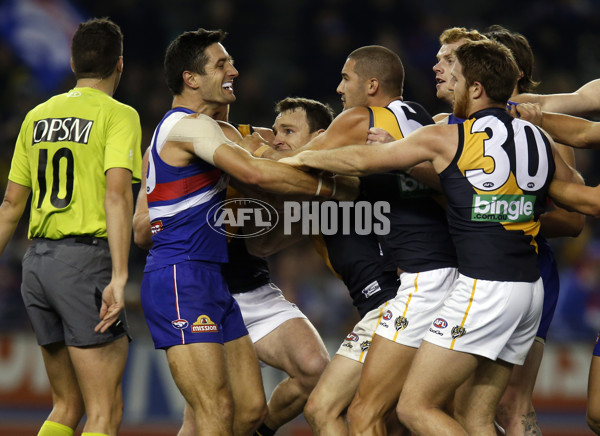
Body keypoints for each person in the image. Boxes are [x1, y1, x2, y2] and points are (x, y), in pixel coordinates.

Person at [281, 39, 600, 435]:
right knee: (477, 416)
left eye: (457, 76)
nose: (449, 81)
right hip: (529, 292)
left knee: (414, 408)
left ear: (477, 89)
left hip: (484, 287)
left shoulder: (450, 136)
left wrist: (302, 157)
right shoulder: (537, 138)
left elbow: (361, 159)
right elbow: (584, 200)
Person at [137, 28, 354, 436]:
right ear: (191, 78)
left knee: (250, 409)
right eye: (222, 64)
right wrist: (335, 186)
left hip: (217, 282)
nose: (234, 70)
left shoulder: (225, 135)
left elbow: (262, 184)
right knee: (213, 413)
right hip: (182, 274)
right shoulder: (186, 128)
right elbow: (255, 172)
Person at [0, 18, 141, 436]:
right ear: (119, 64)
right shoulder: (119, 115)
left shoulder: (36, 116)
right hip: (84, 265)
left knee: (67, 404)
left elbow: (10, 204)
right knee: (105, 411)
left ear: (73, 61)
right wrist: (119, 276)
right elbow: (117, 195)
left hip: (37, 265)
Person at [481, 25, 585, 436]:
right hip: (471, 269)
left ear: (514, 75)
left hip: (530, 266)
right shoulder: (461, 124)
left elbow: (575, 219)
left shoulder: (545, 127)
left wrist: (506, 216)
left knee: (510, 405)